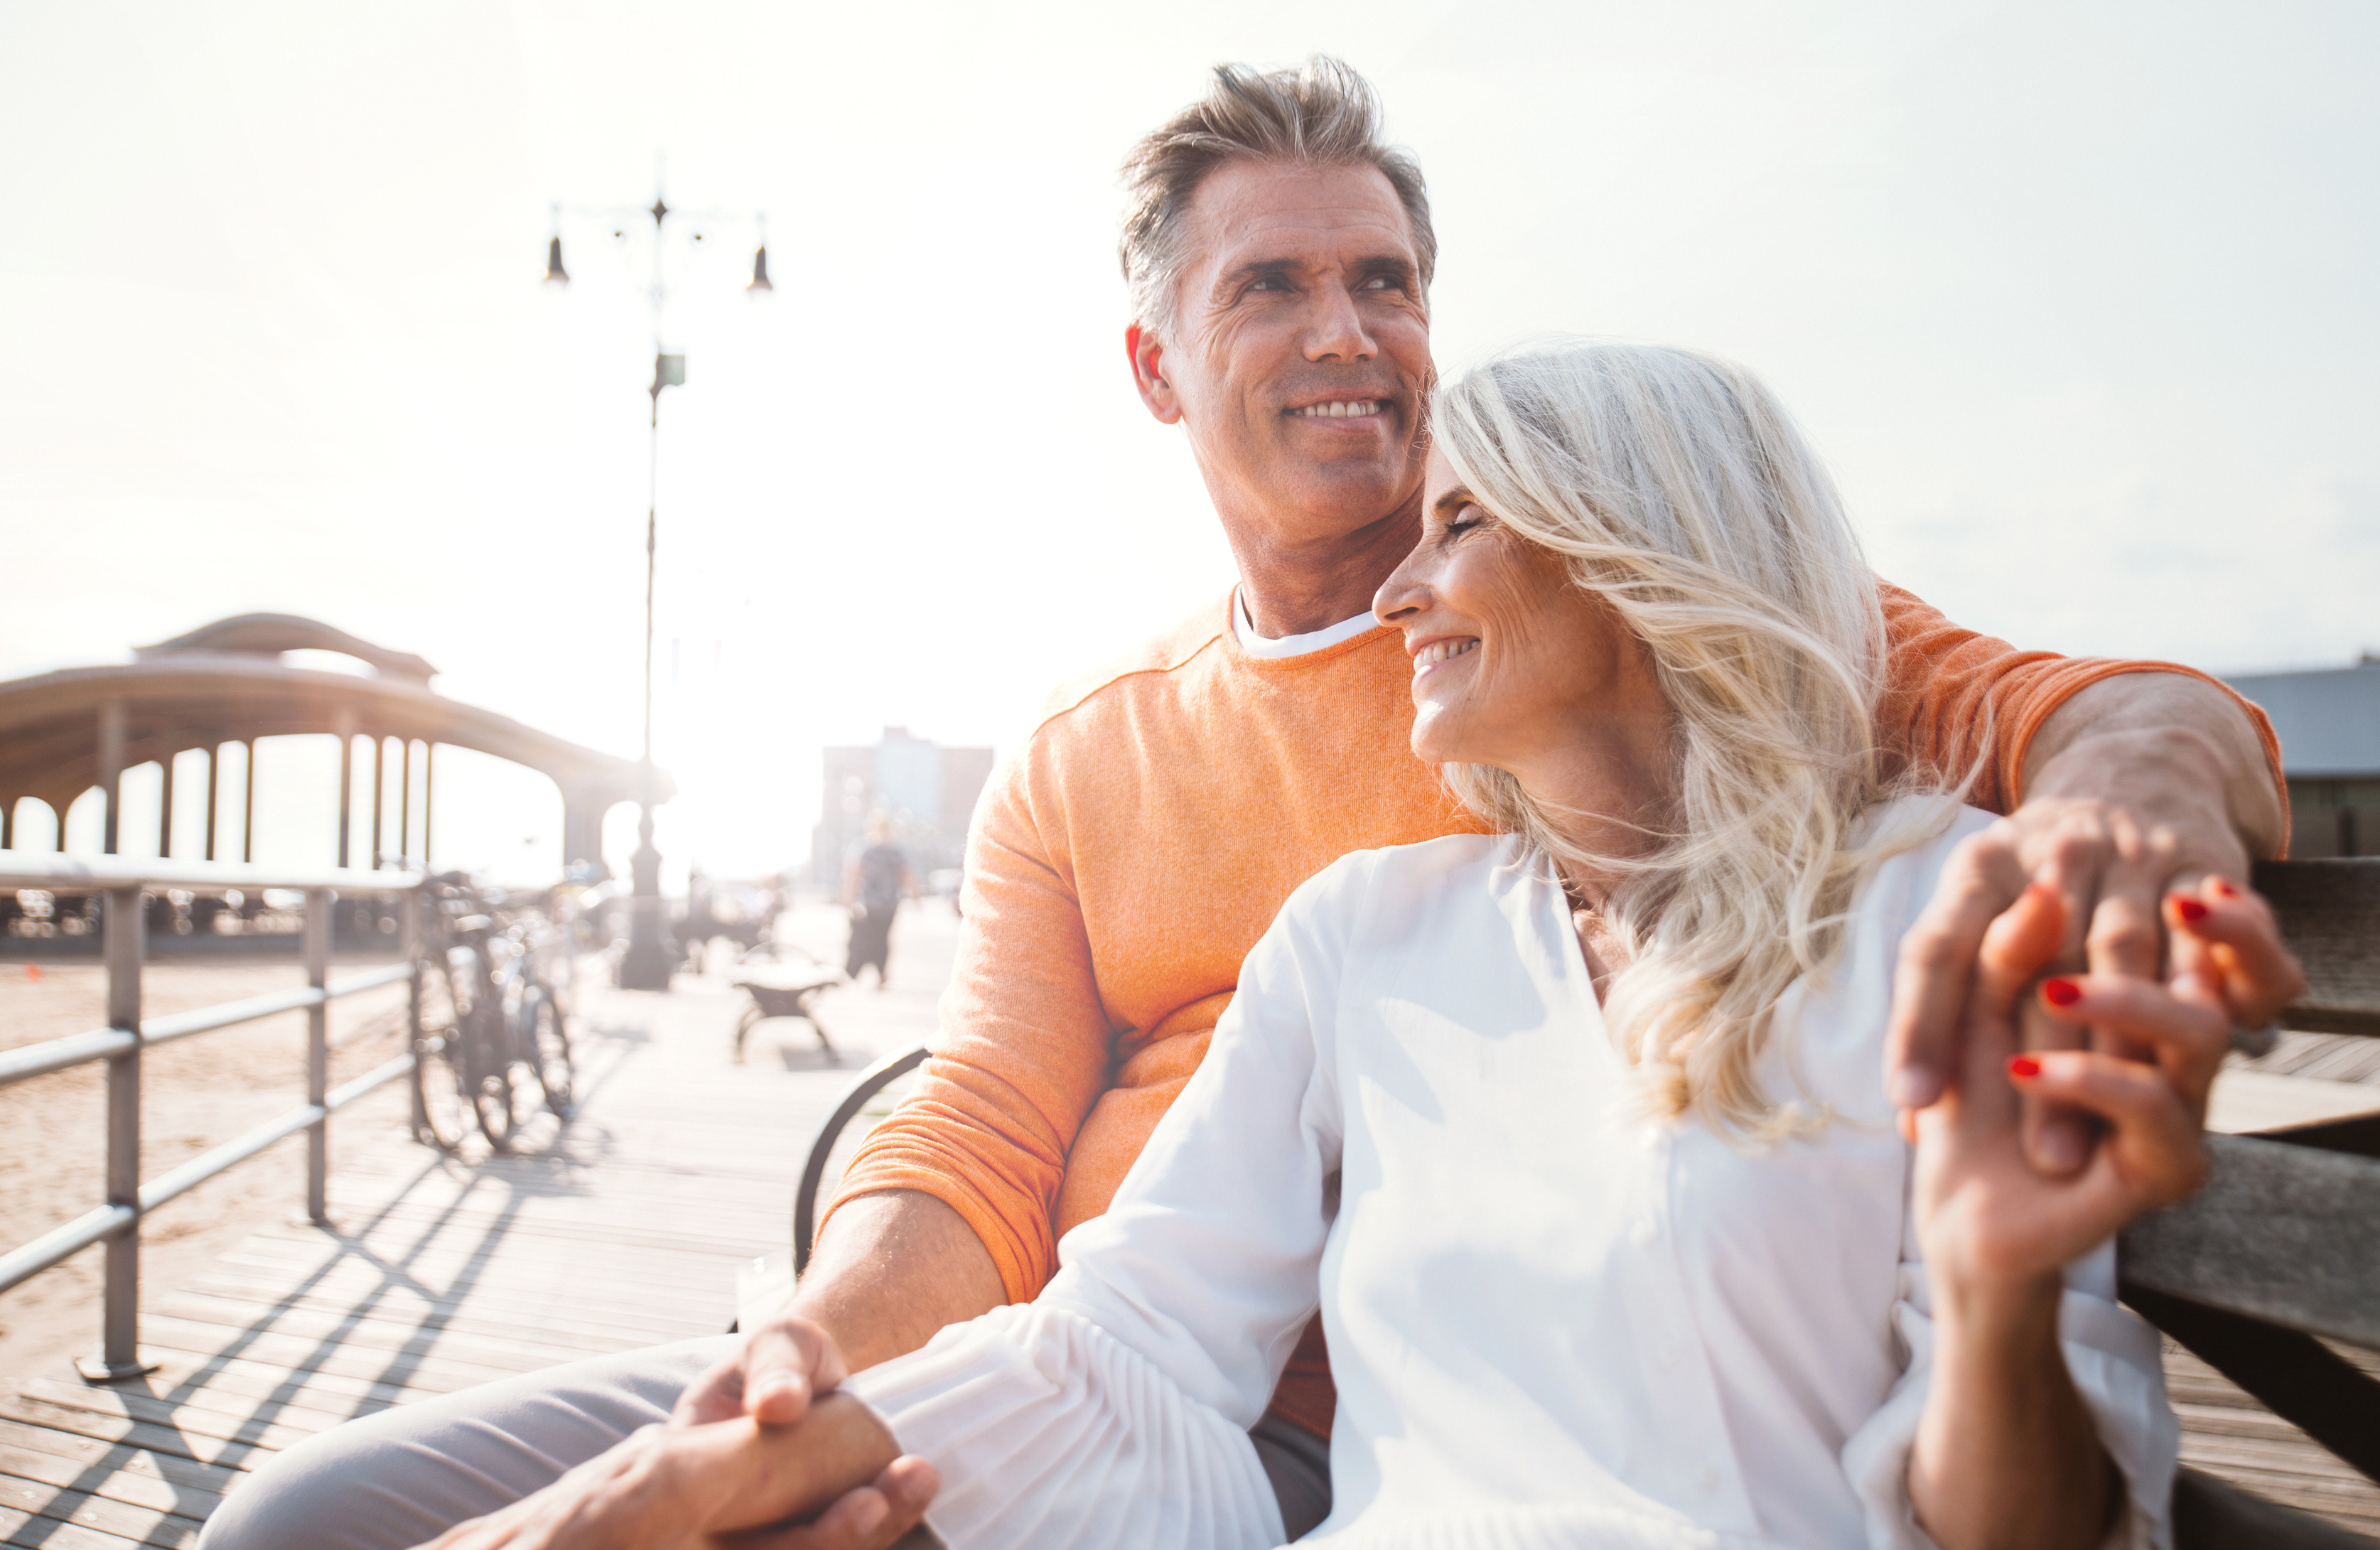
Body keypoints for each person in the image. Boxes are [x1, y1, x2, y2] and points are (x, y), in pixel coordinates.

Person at [201, 59, 2298, 1550]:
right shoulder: (1129, 765)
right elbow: (986, 1149)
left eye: (1385, 279)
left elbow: (2045, 713)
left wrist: (2115, 804)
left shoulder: (1636, 646)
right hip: (1097, 1387)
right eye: (1274, 288)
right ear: (1155, 365)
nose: (1353, 337)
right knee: (314, 1508)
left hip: (1307, 1437)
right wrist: (789, 1388)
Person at [842, 817, 912, 990]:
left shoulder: (869, 850)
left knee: (875, 938)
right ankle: (876, 973)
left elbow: (854, 874)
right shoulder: (891, 851)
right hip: (881, 903)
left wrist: (848, 897)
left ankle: (863, 972)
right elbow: (907, 876)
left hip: (881, 904)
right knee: (879, 939)